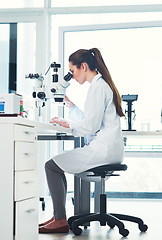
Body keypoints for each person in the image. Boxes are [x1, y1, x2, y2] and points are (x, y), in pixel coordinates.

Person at [39, 48, 125, 234]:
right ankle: (57, 216)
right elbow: (92, 119)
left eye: (72, 71)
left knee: (51, 166)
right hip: (111, 150)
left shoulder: (97, 87)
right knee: (56, 165)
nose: (72, 75)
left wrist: (67, 124)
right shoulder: (102, 85)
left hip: (102, 150)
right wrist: (69, 105)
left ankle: (60, 219)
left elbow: (90, 126)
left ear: (83, 66)